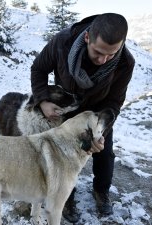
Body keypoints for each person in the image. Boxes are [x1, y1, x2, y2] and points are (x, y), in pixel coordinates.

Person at [30, 13, 135, 222]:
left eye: (111, 54)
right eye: (98, 52)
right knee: (63, 156)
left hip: (98, 115)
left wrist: (100, 133)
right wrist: (42, 100)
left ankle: (101, 191)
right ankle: (65, 197)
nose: (103, 60)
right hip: (68, 110)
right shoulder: (62, 42)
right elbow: (39, 69)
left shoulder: (125, 62)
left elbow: (114, 103)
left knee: (104, 154)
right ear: (87, 37)